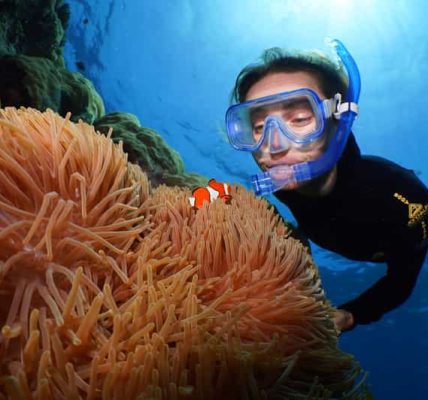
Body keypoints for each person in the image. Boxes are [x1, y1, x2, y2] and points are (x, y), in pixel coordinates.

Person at [225, 39, 428, 333]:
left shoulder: (399, 195)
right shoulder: (283, 186)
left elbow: (402, 277)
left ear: (339, 120)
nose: (274, 144)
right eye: (258, 128)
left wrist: (351, 314)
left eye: (299, 119)